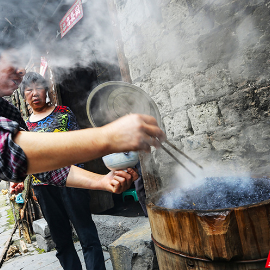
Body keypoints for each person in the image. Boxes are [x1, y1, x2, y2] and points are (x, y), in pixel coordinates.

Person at [0, 22, 166, 188]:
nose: (22, 70)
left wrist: (101, 181)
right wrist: (109, 137)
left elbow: (46, 169)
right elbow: (10, 151)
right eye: (15, 60)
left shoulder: (8, 111)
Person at [20, 72, 114, 270]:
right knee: (61, 241)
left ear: (47, 90)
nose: (34, 93)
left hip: (72, 182)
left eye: (38, 88)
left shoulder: (63, 113)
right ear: (24, 95)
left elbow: (78, 145)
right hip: (44, 188)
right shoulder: (24, 126)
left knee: (86, 233)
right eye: (29, 90)